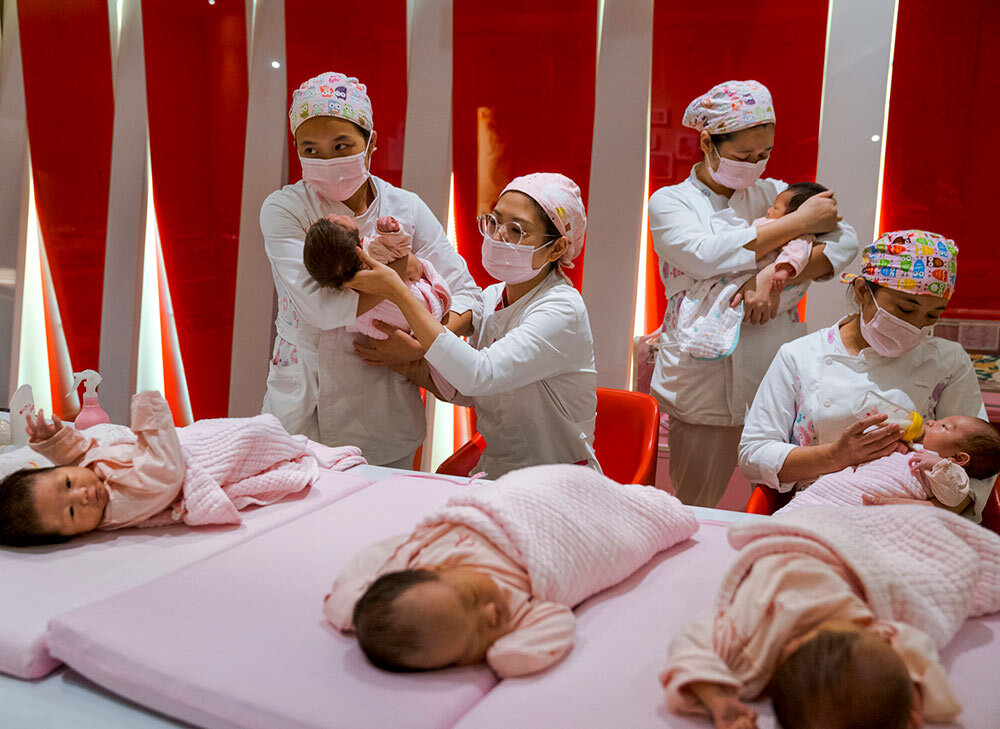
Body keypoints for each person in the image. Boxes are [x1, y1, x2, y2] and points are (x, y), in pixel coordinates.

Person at [648, 79, 859, 506]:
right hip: (701, 382)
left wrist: (772, 277)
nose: (755, 165)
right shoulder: (671, 202)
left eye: (764, 154)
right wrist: (797, 226)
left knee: (777, 502)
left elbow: (844, 240)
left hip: (773, 371)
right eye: (744, 155)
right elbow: (705, 256)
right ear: (708, 142)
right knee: (694, 504)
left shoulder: (771, 193)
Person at [261, 71, 482, 468]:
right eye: (310, 150)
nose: (326, 160)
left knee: (383, 524)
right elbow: (321, 308)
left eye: (341, 145)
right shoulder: (285, 209)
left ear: (371, 142)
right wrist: (398, 273)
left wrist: (422, 344)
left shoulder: (406, 208)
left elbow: (470, 297)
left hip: (384, 409)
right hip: (301, 408)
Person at [324, 464, 697, 675]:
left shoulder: (421, 552)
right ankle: (643, 505)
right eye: (474, 642)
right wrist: (509, 655)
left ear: (435, 568)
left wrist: (351, 602)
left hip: (527, 499)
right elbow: (556, 622)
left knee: (566, 481)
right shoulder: (517, 604)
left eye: (471, 598)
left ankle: (625, 492)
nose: (489, 613)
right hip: (560, 536)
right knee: (629, 521)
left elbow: (373, 558)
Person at [349, 173, 600, 478]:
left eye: (517, 230)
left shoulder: (561, 310)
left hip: (558, 482)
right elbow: (470, 391)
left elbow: (479, 375)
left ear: (557, 248)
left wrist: (399, 293)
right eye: (494, 222)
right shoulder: (493, 297)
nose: (497, 236)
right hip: (497, 474)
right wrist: (411, 366)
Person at [661, 504, 1000, 729]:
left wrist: (716, 698)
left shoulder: (746, 647)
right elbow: (917, 646)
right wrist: (914, 694)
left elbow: (688, 643)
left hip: (810, 544)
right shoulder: (872, 635)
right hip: (829, 553)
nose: (887, 633)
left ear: (789, 652)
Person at [739, 230, 993, 521]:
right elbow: (754, 453)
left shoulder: (948, 362)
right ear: (862, 291)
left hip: (913, 519)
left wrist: (927, 511)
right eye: (906, 309)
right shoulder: (800, 356)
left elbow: (978, 464)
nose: (917, 326)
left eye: (932, 316)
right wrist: (835, 455)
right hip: (820, 508)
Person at [0, 392, 361, 546]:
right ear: (74, 535)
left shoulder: (90, 477)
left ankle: (295, 444)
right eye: (73, 511)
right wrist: (149, 415)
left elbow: (79, 457)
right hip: (191, 462)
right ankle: (297, 449)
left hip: (188, 441)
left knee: (221, 426)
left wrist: (52, 440)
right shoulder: (122, 503)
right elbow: (166, 472)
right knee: (258, 432)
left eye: (66, 483)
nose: (83, 494)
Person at [675, 182, 827, 361]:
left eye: (775, 208)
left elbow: (798, 250)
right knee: (717, 297)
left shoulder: (794, 229)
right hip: (695, 375)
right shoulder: (672, 199)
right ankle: (705, 335)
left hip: (770, 307)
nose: (769, 209)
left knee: (731, 300)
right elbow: (709, 256)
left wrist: (778, 271)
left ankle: (712, 333)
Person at [776, 415, 1000, 514]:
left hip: (867, 503)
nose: (932, 422)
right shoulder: (912, 447)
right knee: (806, 506)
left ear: (960, 458)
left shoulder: (952, 472)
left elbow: (954, 495)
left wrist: (939, 464)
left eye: (944, 427)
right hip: (844, 483)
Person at [302, 214, 452, 341]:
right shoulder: (372, 253)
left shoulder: (345, 296)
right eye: (332, 221)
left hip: (415, 332)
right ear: (357, 249)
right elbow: (404, 252)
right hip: (428, 305)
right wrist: (391, 234)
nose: (331, 215)